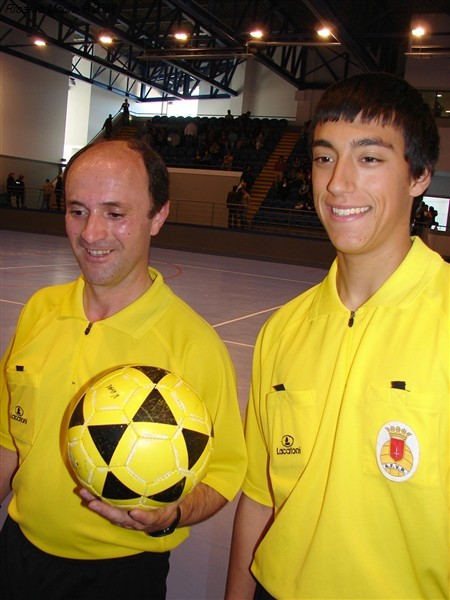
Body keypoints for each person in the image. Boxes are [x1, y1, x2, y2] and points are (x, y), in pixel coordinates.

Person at [226, 73, 449, 600]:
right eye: (325, 158)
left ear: (418, 176)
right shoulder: (284, 328)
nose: (337, 184)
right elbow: (259, 498)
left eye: (369, 158)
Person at [0, 139, 247, 599]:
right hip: (17, 552)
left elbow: (224, 474)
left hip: (118, 574)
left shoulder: (192, 344)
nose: (92, 233)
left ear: (158, 216)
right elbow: (8, 441)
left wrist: (170, 515)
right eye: (78, 211)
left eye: (115, 213)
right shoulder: (40, 310)